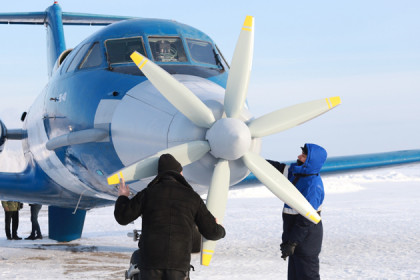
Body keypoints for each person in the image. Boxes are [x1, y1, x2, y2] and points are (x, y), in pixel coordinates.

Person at [114, 153, 226, 280]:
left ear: (159, 174)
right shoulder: (192, 197)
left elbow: (122, 217)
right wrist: (220, 229)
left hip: (151, 263)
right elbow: (212, 233)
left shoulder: (148, 194)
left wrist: (123, 196)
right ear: (180, 173)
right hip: (178, 265)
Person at [267, 143, 327, 280]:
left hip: (306, 242)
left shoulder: (313, 185)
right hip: (295, 239)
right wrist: (252, 160)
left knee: (308, 277)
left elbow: (306, 220)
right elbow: (278, 168)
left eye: (303, 156)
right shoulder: (297, 173)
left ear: (311, 161)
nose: (299, 156)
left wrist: (292, 243)